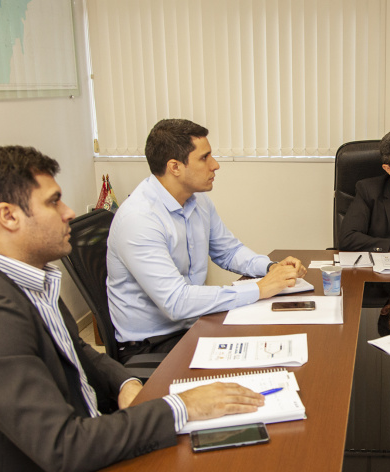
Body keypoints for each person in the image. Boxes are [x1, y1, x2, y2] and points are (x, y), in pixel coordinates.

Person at [0, 146, 266, 472]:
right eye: (54, 202)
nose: (69, 212)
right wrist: (180, 407)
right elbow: (63, 448)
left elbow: (78, 351)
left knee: (236, 458)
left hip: (93, 448)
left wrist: (125, 382)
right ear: (8, 216)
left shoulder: (27, 279)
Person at [107, 119, 306, 362]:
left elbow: (229, 251)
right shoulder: (139, 219)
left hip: (194, 323)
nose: (216, 165)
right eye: (205, 158)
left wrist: (270, 268)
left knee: (277, 339)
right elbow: (176, 302)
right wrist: (258, 288)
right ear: (175, 167)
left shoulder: (197, 201)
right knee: (258, 361)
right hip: (153, 345)